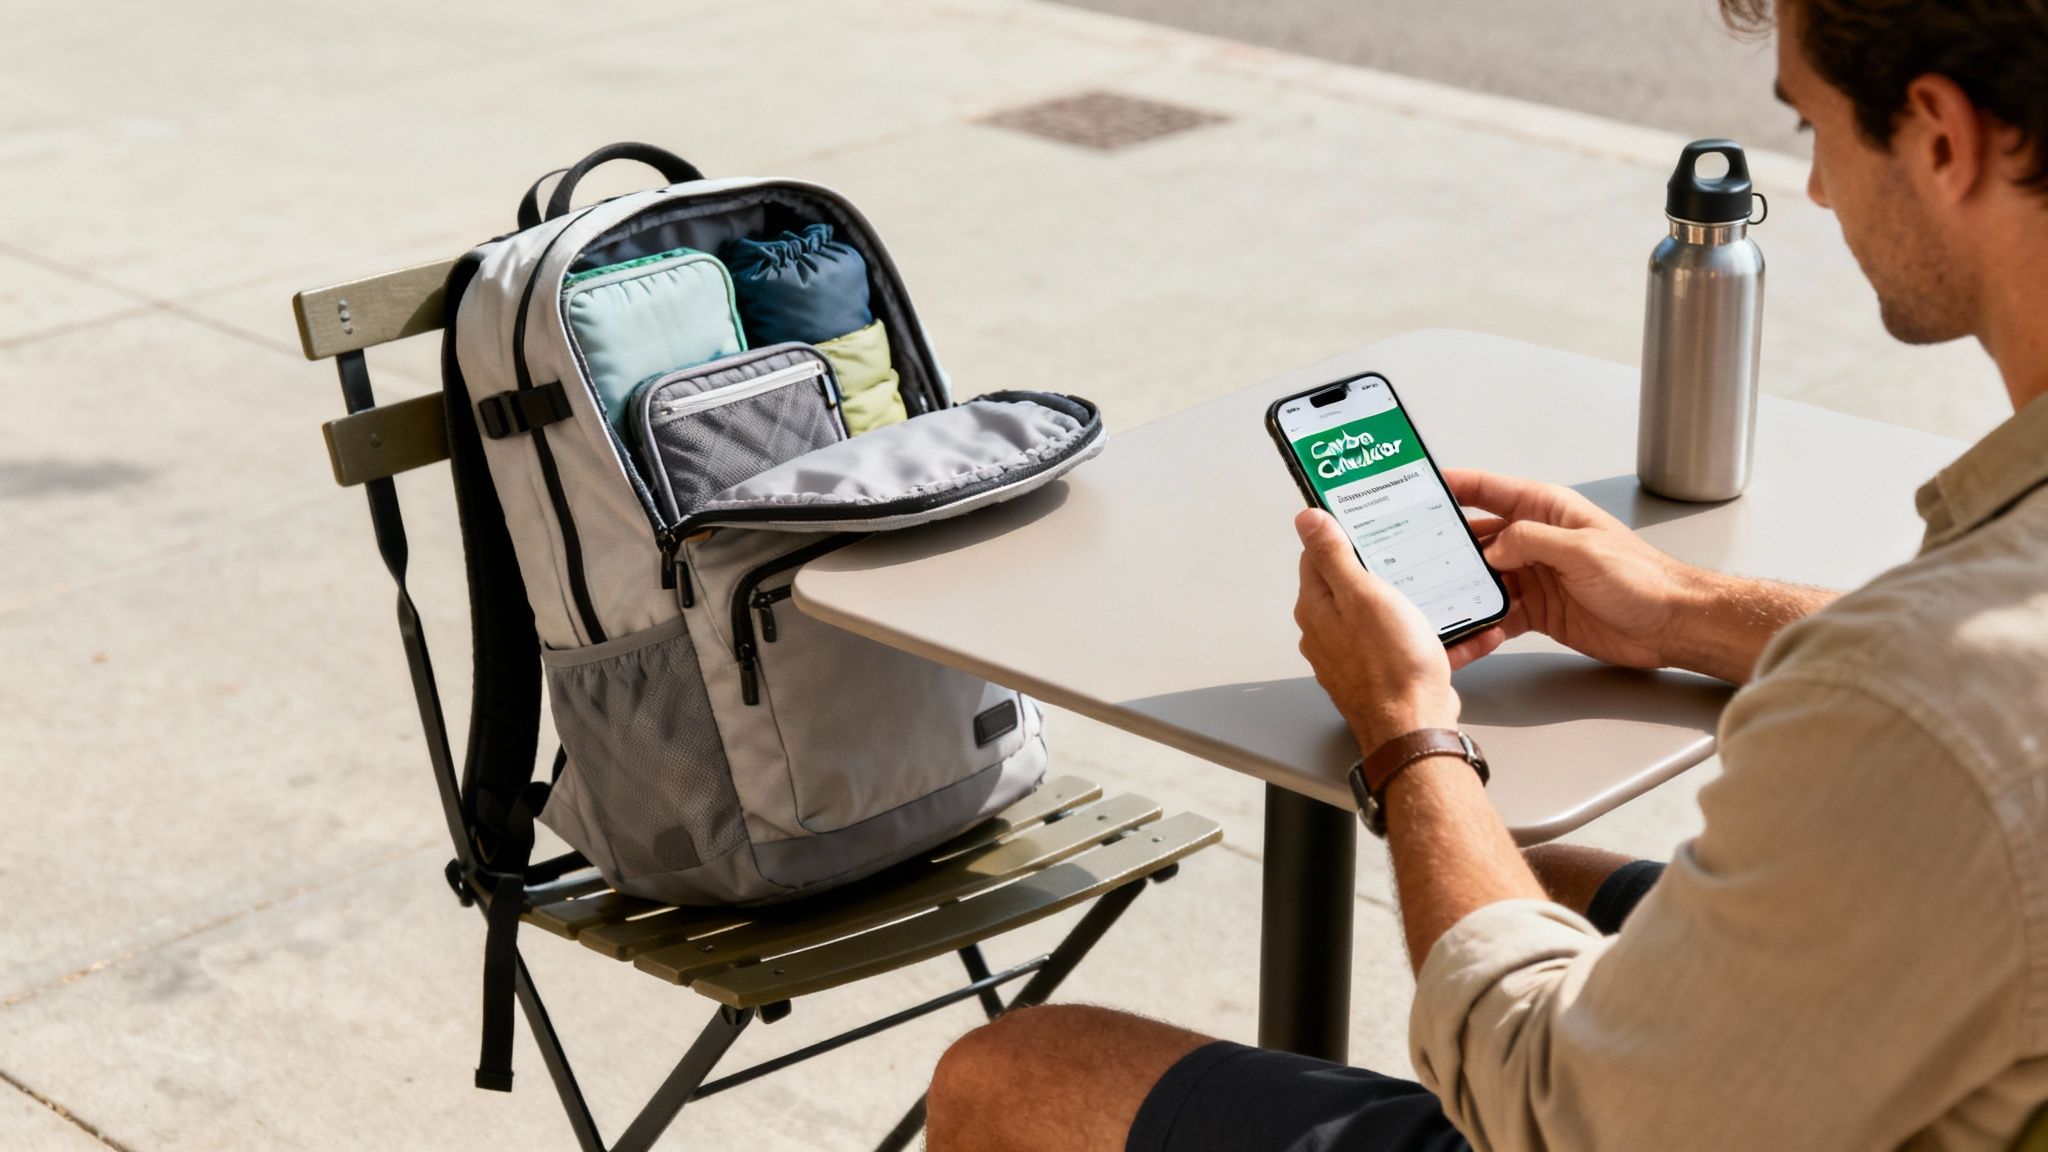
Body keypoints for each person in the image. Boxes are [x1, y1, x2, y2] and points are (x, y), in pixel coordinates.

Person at [922, 0, 2048, 1147]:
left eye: (1810, 128)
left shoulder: (1924, 703)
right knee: (1528, 869)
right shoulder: (1963, 655)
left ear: (1940, 137)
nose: (1810, 189)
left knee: (1012, 1073)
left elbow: (1556, 1105)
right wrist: (1682, 611)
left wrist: (1404, 733)